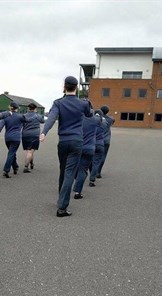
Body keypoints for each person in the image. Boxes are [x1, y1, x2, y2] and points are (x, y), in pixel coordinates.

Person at [40, 76, 93, 217]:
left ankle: (60, 198)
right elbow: (89, 114)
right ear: (76, 87)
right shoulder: (83, 103)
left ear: (64, 86)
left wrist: (44, 132)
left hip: (63, 141)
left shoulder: (58, 103)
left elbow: (51, 118)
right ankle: (62, 208)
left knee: (63, 171)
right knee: (70, 173)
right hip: (76, 142)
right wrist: (89, 105)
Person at [0, 101, 26, 178]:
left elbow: (0, 126)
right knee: (11, 153)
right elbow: (25, 122)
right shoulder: (20, 116)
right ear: (17, 109)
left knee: (12, 152)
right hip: (16, 137)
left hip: (7, 137)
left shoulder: (6, 116)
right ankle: (6, 170)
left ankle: (15, 167)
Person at [72, 105, 97, 199]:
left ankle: (76, 181)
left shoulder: (77, 120)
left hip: (77, 147)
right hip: (89, 148)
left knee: (74, 167)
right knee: (83, 170)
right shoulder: (95, 120)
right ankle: (78, 192)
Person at [22, 103, 44, 173]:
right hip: (34, 134)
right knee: (30, 151)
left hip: (25, 134)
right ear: (35, 109)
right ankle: (26, 167)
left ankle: (31, 164)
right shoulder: (37, 116)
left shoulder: (24, 116)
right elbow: (43, 121)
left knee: (29, 151)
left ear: (28, 108)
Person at [88, 109, 106, 187]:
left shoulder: (91, 123)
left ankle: (90, 173)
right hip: (100, 144)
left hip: (91, 144)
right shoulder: (104, 123)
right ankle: (92, 179)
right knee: (96, 163)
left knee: (89, 161)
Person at [97, 105, 115, 178]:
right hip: (106, 140)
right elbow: (113, 120)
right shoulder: (111, 119)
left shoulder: (97, 118)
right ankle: (98, 171)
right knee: (103, 156)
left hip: (97, 139)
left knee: (94, 155)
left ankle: (93, 170)